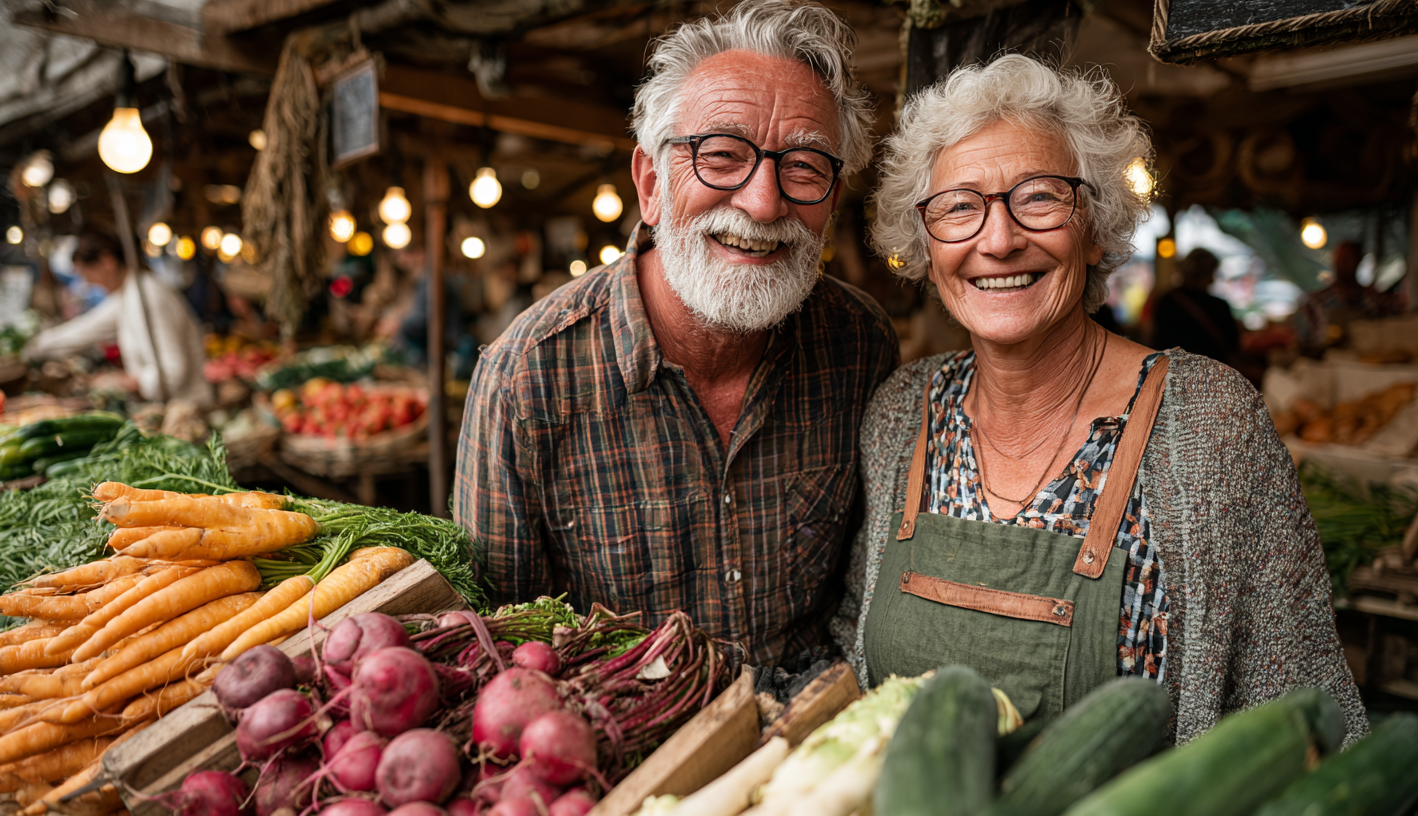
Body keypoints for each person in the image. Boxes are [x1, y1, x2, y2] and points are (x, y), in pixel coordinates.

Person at [840, 56, 1365, 743]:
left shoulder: (1207, 421)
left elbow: (1303, 708)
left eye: (1039, 198)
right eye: (960, 207)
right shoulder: (899, 415)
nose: (998, 240)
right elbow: (852, 648)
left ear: (1094, 227)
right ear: (926, 248)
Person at [454, 0, 899, 666]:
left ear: (832, 200)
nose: (763, 203)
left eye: (804, 167)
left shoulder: (860, 343)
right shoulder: (526, 379)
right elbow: (498, 651)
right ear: (651, 182)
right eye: (721, 156)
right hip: (619, 728)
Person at [24, 231, 212, 404]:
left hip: (189, 409)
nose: (87, 283)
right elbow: (86, 329)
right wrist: (32, 348)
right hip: (166, 406)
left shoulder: (146, 294)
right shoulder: (127, 294)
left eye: (87, 273)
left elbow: (171, 372)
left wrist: (123, 382)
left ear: (107, 262)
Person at [1294, 240, 1400, 350]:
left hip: (1366, 357)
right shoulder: (1316, 301)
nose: (1343, 262)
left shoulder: (1374, 300)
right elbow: (1302, 338)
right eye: (1339, 258)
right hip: (1326, 358)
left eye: (1348, 258)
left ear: (1359, 260)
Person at [1152, 247, 1241, 364]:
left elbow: (1158, 340)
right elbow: (1232, 344)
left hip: (1174, 367)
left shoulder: (1166, 301)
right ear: (1208, 274)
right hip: (1212, 369)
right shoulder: (1219, 306)